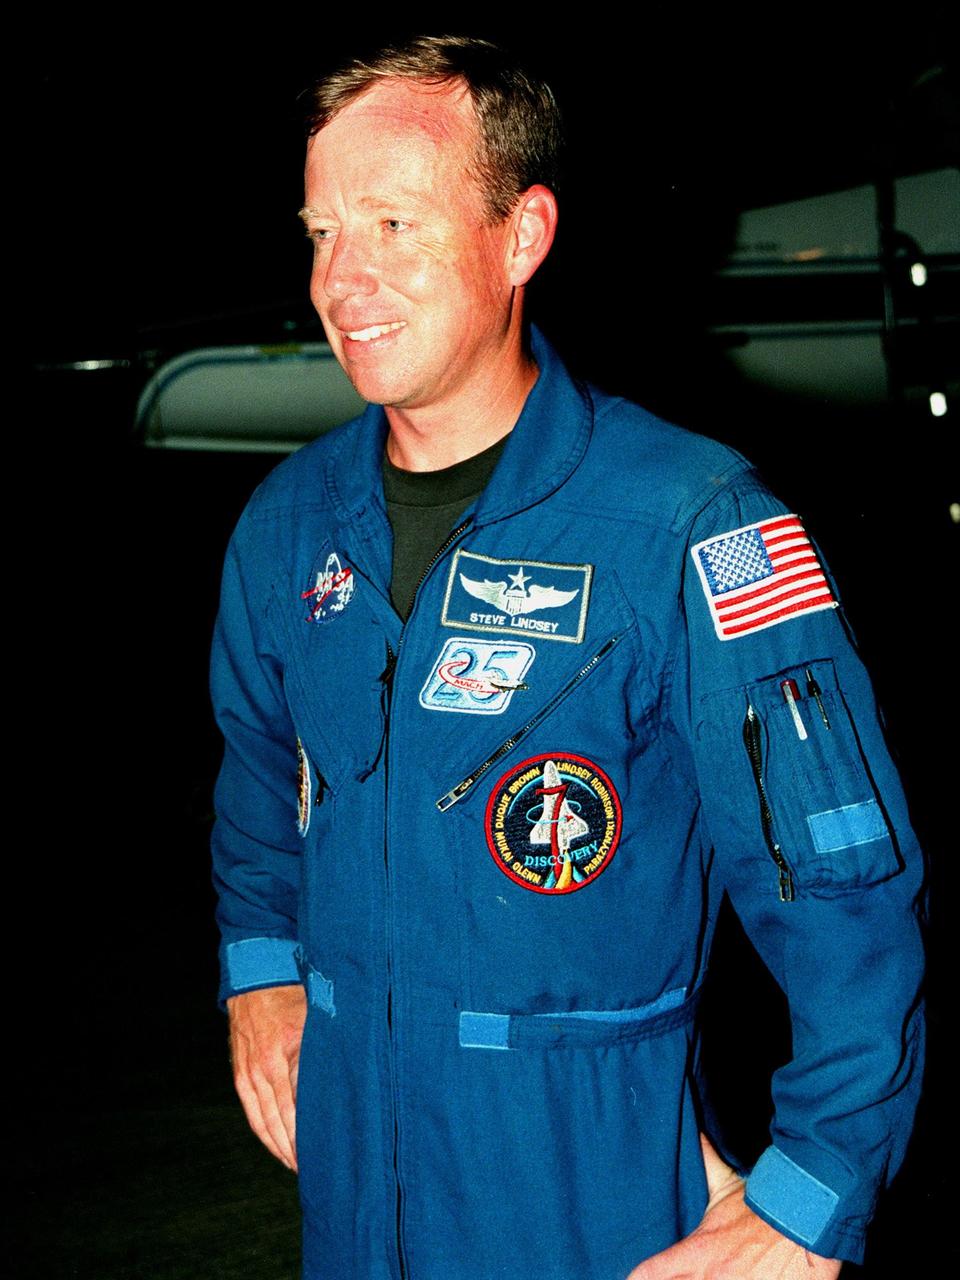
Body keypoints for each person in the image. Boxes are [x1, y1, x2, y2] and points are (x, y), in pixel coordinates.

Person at [211, 34, 924, 1280]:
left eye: (392, 221)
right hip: (353, 1191)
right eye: (324, 230)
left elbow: (846, 890)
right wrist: (262, 972)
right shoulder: (289, 526)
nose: (345, 276)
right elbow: (261, 783)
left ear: (522, 236)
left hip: (589, 1188)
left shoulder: (693, 523)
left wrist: (813, 1193)